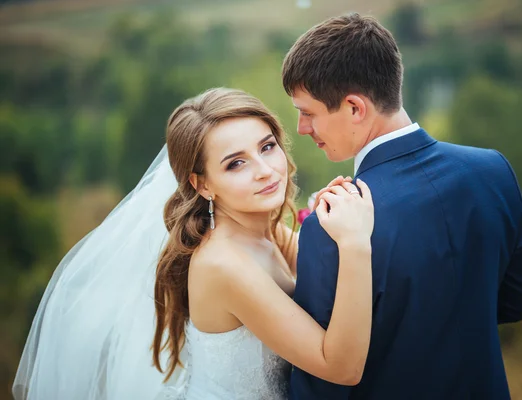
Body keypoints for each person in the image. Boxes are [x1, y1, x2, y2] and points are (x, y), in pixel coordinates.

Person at [12, 88, 375, 400]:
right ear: (202, 185)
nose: (264, 169)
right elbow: (340, 367)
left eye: (267, 147)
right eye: (236, 164)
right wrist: (356, 243)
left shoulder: (269, 231)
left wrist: (331, 220)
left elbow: (323, 274)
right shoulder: (222, 265)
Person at [282, 13, 522, 400]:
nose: (301, 128)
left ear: (354, 108)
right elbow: (514, 303)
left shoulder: (332, 226)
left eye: (308, 112)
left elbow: (319, 389)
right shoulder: (493, 170)